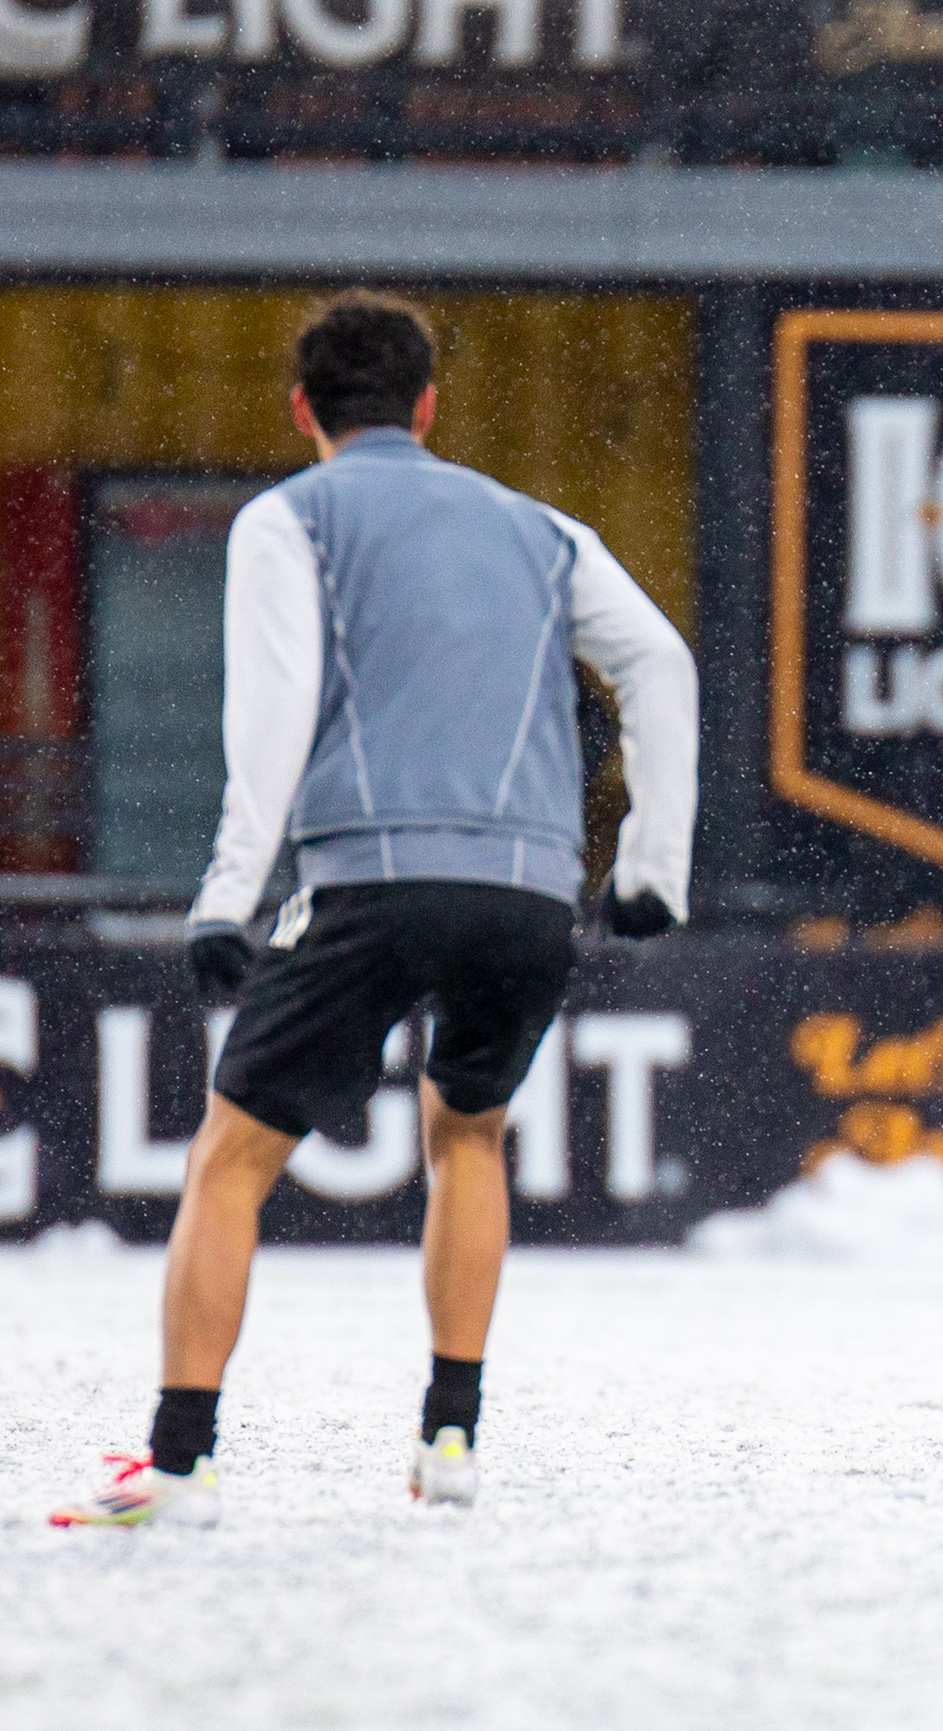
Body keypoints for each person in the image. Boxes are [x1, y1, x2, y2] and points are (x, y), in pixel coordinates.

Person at [52, 291, 699, 1525]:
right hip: (528, 891)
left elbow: (274, 714)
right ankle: (449, 1443)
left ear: (303, 411)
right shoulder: (539, 528)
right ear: (430, 406)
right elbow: (657, 664)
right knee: (469, 1135)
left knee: (230, 1162)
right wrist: (650, 870)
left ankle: (179, 1465)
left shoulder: (289, 518)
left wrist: (228, 895)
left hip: (373, 876)